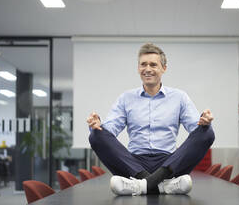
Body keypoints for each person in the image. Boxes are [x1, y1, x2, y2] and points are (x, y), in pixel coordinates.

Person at [87, 43, 215, 196]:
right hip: (133, 164)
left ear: (164, 68)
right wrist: (98, 125)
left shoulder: (180, 97)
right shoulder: (126, 98)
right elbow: (109, 130)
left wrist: (204, 122)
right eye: (143, 64)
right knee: (96, 135)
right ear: (138, 68)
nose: (147, 69)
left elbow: (196, 129)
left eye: (153, 64)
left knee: (207, 133)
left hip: (169, 163)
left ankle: (141, 185)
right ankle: (163, 186)